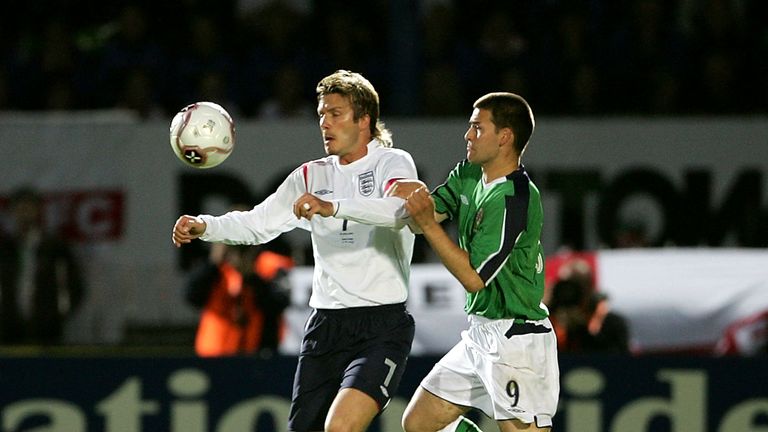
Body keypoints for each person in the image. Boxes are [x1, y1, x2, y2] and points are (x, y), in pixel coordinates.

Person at [172, 70, 418, 432]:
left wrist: (333, 207)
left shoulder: (393, 163)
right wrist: (206, 226)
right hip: (325, 326)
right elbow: (258, 223)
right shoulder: (310, 175)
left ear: (364, 119)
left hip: (381, 327)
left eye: (335, 113)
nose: (325, 123)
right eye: (321, 114)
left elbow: (400, 211)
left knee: (341, 428)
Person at [392, 93, 559, 431]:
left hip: (517, 340)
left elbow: (473, 278)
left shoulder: (514, 198)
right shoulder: (470, 172)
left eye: (477, 128)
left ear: (505, 137)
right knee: (419, 423)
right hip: (481, 333)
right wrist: (398, 198)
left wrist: (426, 224)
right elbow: (431, 209)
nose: (468, 136)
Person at [0, 186, 85, 345]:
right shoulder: (5, 249)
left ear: (38, 211)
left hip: (46, 333)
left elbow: (74, 286)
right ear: (11, 212)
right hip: (8, 332)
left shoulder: (54, 248)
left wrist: (56, 316)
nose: (24, 214)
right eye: (19, 208)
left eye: (28, 208)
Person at [185, 240, 294, 358]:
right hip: (215, 353)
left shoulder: (271, 265)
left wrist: (251, 275)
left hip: (259, 354)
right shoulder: (214, 269)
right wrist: (213, 263)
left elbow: (279, 304)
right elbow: (193, 297)